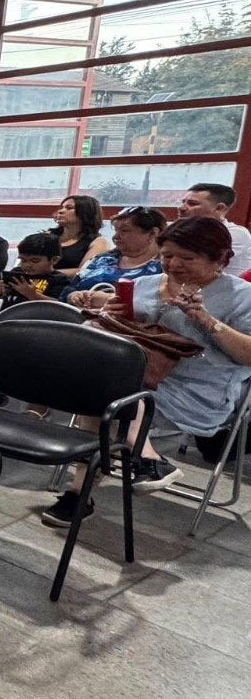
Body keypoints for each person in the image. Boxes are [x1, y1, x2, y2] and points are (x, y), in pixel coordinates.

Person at [41, 217, 251, 525]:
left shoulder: (241, 296)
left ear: (220, 259)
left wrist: (206, 321)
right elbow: (122, 332)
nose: (174, 264)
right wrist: (110, 315)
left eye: (187, 258)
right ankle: (142, 459)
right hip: (137, 380)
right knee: (108, 392)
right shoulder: (145, 285)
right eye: (167, 255)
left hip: (197, 391)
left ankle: (88, 488)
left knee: (104, 397)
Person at [65, 206, 165, 307]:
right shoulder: (101, 259)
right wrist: (73, 296)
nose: (115, 237)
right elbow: (67, 291)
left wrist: (110, 299)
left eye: (125, 231)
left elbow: (164, 304)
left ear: (153, 233)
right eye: (116, 230)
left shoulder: (165, 267)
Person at [0, 233, 75, 307]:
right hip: (6, 316)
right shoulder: (16, 272)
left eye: (35, 261)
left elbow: (59, 306)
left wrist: (33, 295)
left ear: (54, 260)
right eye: (23, 260)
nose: (28, 265)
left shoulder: (59, 279)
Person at [179, 182, 251, 275]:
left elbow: (194, 262)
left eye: (192, 204)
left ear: (219, 208)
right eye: (183, 202)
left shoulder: (234, 233)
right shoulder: (183, 230)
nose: (181, 208)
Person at [49, 195, 111, 274]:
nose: (60, 211)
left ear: (85, 212)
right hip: (38, 282)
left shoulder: (98, 242)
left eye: (69, 208)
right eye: (62, 207)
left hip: (70, 284)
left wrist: (46, 274)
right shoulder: (48, 235)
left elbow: (84, 271)